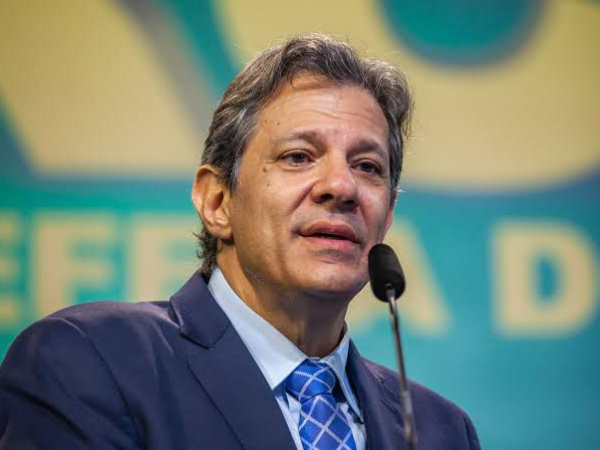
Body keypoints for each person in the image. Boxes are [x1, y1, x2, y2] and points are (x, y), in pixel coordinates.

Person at [0, 34, 481, 449]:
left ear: (387, 217)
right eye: (298, 156)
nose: (341, 186)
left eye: (368, 167)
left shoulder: (441, 431)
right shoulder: (92, 363)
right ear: (217, 201)